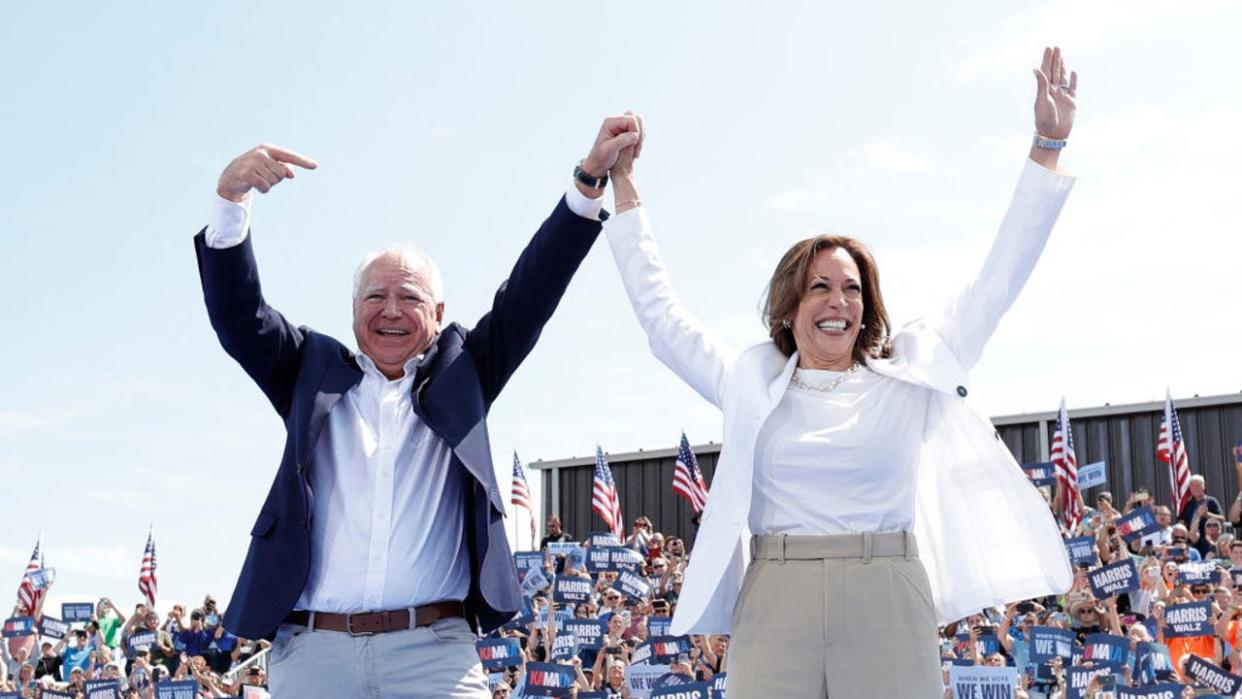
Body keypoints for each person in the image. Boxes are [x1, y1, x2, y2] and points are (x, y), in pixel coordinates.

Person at [598, 46, 1078, 697]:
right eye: (820, 286)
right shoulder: (750, 380)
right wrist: (623, 184)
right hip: (776, 596)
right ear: (790, 305)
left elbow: (996, 282)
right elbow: (662, 316)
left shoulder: (907, 376)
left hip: (888, 591)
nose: (838, 301)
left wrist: (1046, 146)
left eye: (851, 288)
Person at [194, 114, 642, 698]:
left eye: (409, 297)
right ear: (353, 310)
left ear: (437, 314)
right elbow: (238, 318)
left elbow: (530, 293)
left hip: (433, 655)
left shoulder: (465, 373)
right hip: (313, 653)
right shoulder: (306, 368)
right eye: (375, 296)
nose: (391, 310)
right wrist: (231, 200)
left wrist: (587, 182)